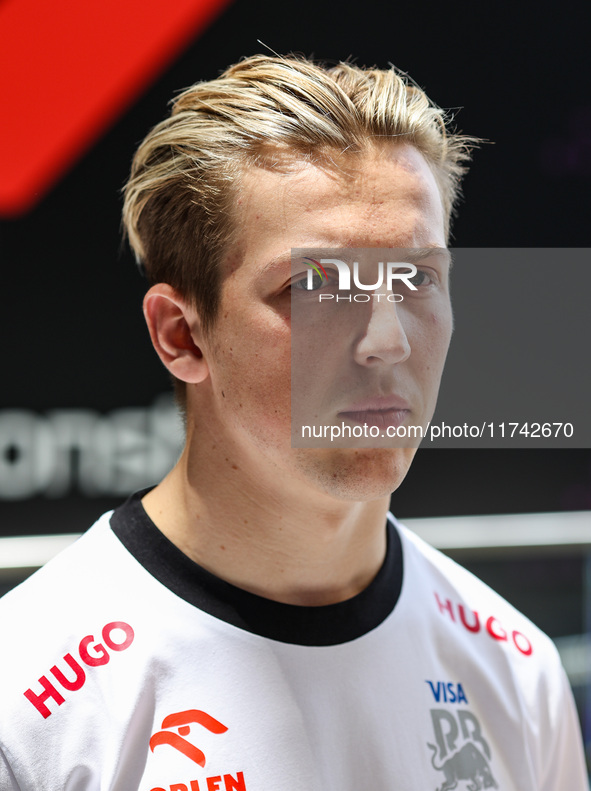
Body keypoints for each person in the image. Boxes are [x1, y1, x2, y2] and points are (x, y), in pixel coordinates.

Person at [0, 55, 586, 791]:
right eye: (316, 283)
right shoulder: (25, 700)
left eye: (417, 278)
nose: (387, 338)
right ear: (181, 334)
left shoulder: (516, 670)